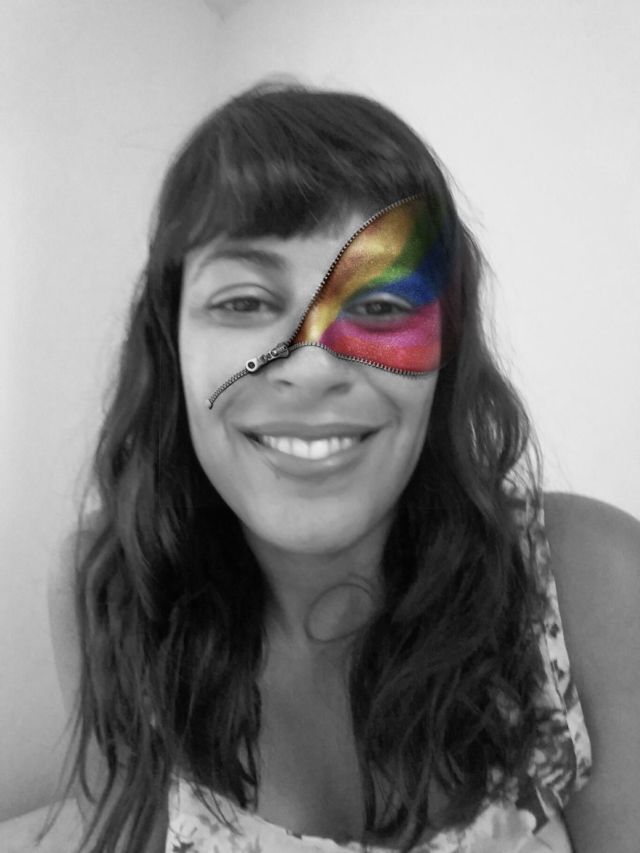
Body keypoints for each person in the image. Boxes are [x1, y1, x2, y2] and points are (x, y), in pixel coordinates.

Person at [48, 82, 640, 853]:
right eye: (244, 301)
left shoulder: (591, 574)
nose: (311, 365)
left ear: (446, 349)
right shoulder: (111, 584)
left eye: (382, 306)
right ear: (171, 343)